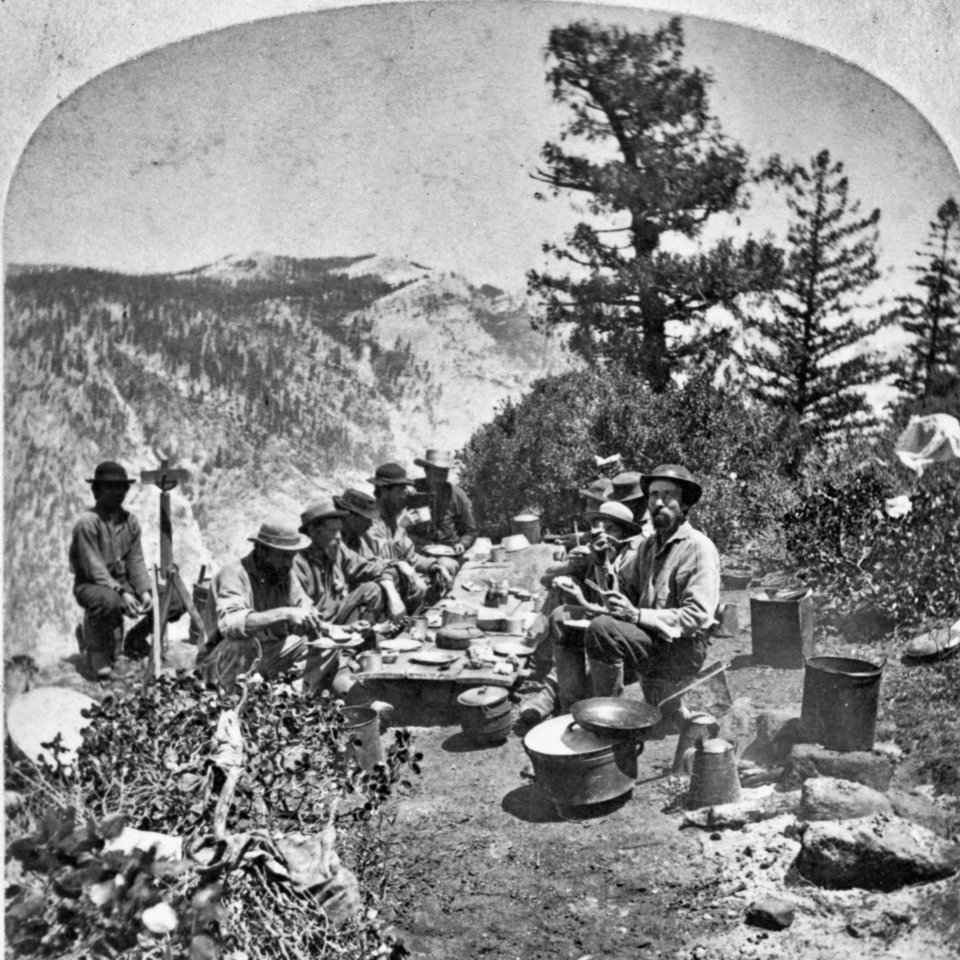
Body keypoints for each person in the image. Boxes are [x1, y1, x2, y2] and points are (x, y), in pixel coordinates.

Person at [569, 464, 720, 727]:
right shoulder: (649, 547)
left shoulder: (697, 548)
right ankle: (603, 715)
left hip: (684, 648)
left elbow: (695, 616)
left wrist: (637, 614)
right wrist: (602, 562)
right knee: (592, 627)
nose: (658, 502)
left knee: (602, 629)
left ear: (684, 505)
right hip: (654, 640)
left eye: (668, 495)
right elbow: (621, 598)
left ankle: (612, 724)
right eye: (653, 495)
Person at [520, 500, 645, 723]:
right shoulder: (593, 553)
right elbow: (546, 578)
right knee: (560, 612)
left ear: (624, 534)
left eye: (611, 529)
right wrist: (571, 565)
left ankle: (552, 694)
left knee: (595, 635)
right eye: (599, 529)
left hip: (623, 639)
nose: (603, 535)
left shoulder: (630, 561)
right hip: (594, 628)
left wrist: (581, 600)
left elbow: (619, 612)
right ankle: (567, 706)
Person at [199, 520, 328, 693]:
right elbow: (231, 624)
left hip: (267, 656)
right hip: (224, 660)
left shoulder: (284, 573)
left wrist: (328, 625)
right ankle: (230, 700)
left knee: (323, 644)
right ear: (263, 551)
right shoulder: (234, 574)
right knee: (243, 643)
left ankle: (290, 695)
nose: (289, 564)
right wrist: (284, 613)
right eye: (284, 556)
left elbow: (304, 607)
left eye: (291, 557)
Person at [69, 461, 154, 679]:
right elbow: (94, 569)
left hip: (121, 585)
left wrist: (144, 591)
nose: (116, 492)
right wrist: (121, 592)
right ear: (97, 491)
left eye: (120, 487)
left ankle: (133, 641)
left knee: (168, 601)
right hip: (91, 585)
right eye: (109, 487)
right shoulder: (87, 523)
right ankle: (95, 648)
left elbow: (136, 560)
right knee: (109, 601)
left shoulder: (130, 522)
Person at [366, 462, 455, 611]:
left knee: (444, 567)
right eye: (400, 491)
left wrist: (434, 566)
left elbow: (410, 556)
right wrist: (402, 527)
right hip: (379, 579)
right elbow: (386, 558)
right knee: (418, 586)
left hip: (396, 575)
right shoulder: (371, 521)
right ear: (385, 491)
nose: (403, 496)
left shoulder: (391, 516)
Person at [293, 499, 394, 625]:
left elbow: (372, 568)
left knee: (371, 589)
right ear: (313, 531)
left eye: (339, 530)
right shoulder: (297, 563)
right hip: (317, 628)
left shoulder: (336, 548)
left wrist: (393, 596)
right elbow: (303, 613)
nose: (338, 537)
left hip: (338, 617)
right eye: (333, 531)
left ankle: (364, 636)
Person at [406, 449, 479, 580]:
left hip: (447, 552)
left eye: (444, 473)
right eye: (436, 473)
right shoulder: (411, 490)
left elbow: (471, 531)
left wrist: (462, 544)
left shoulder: (457, 495)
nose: (440, 478)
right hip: (416, 549)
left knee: (446, 567)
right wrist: (402, 491)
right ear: (426, 470)